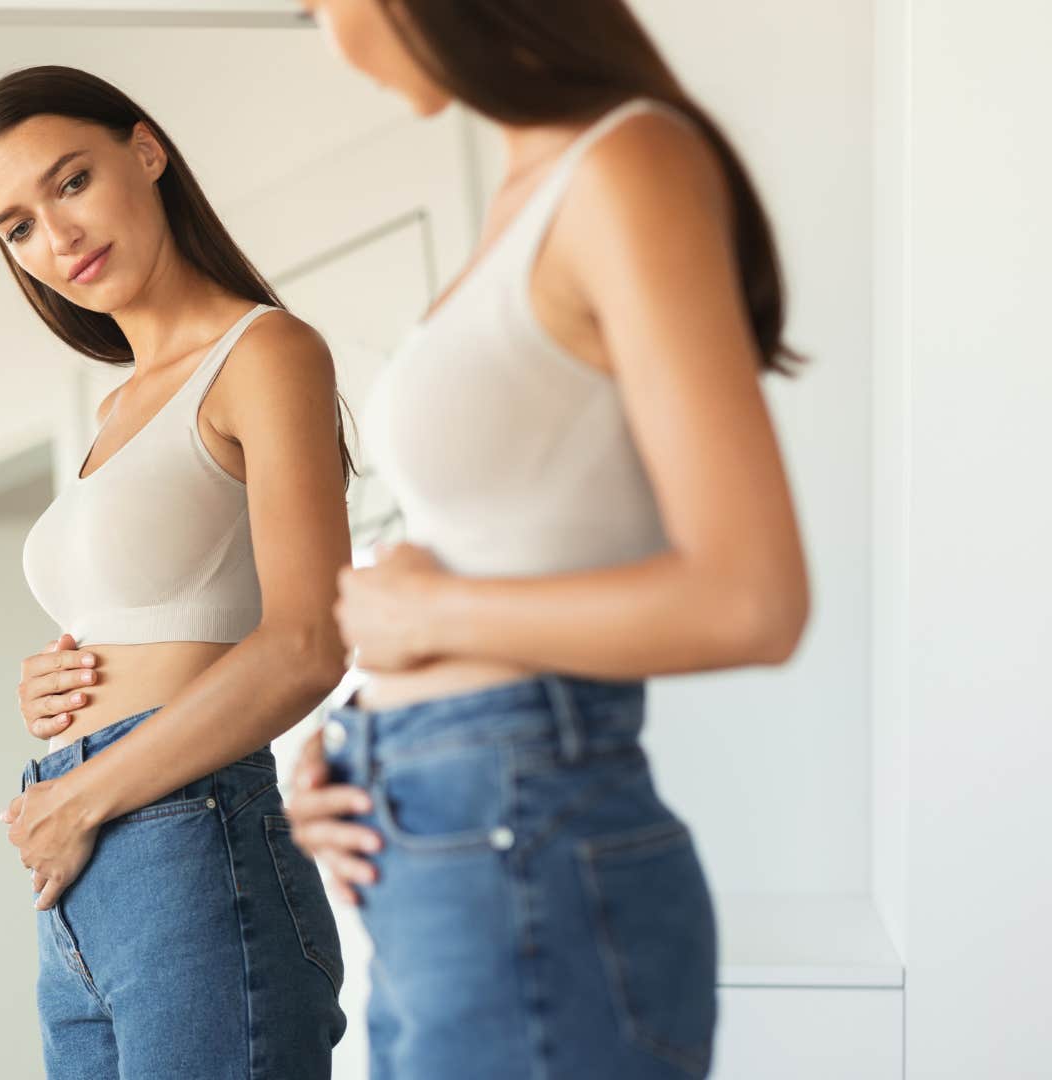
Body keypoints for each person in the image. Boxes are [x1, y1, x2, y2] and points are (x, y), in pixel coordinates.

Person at [282, 2, 813, 1078]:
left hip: (520, 829)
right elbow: (505, 535)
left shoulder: (626, 164)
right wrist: (352, 741)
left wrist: (428, 618)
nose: (326, 41)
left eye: (315, 3)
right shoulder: (531, 188)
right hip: (443, 836)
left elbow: (753, 598)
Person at [0, 65, 351, 1079]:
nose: (58, 236)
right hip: (88, 866)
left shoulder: (265, 353)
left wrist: (85, 797)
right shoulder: (111, 414)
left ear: (145, 150)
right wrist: (49, 688)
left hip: (187, 837)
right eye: (17, 226)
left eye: (71, 182)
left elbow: (310, 643)